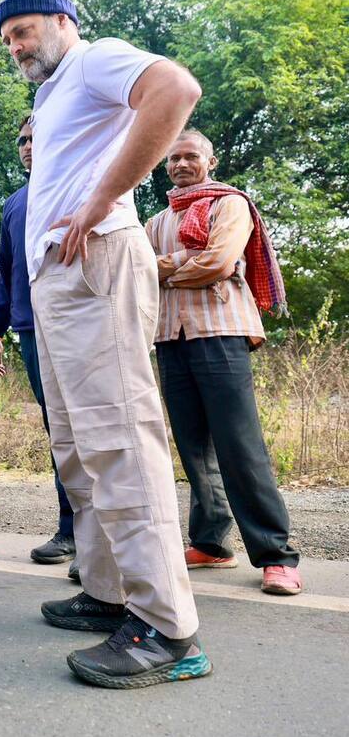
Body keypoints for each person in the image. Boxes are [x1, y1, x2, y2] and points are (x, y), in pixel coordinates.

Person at [0, 0, 210, 688]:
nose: (16, 47)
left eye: (23, 31)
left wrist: (101, 199)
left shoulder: (93, 58)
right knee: (79, 443)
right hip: (59, 280)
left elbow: (176, 91)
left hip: (98, 263)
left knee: (119, 432)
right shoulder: (51, 93)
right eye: (7, 40)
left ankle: (166, 628)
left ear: (62, 19)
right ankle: (112, 591)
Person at [147, 129, 302, 595]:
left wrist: (168, 269)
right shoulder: (155, 221)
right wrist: (184, 264)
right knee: (193, 448)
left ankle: (277, 555)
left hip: (222, 333)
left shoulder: (229, 205)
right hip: (170, 339)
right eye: (172, 158)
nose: (180, 164)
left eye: (190, 156)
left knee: (240, 448)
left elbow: (219, 261)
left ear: (209, 161)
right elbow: (139, 269)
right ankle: (212, 543)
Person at [0, 114, 76, 565]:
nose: (26, 146)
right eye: (21, 140)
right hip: (30, 328)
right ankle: (70, 529)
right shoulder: (15, 203)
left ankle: (110, 542)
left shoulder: (77, 187)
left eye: (35, 139)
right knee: (59, 429)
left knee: (92, 428)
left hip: (77, 320)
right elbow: (6, 271)